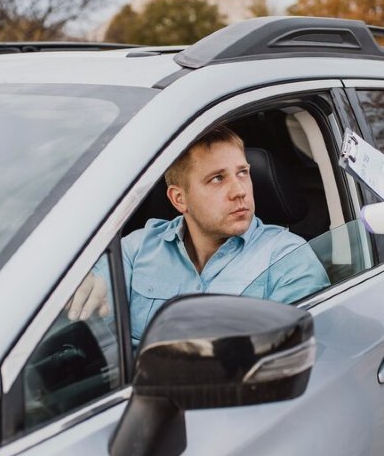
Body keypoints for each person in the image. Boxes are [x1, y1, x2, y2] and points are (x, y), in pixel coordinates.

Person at [68, 125, 330, 347]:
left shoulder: (288, 259)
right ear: (179, 199)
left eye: (243, 173)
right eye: (217, 179)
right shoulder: (136, 249)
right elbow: (89, 316)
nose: (239, 190)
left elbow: (290, 363)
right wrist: (82, 284)